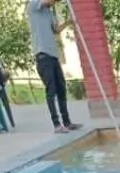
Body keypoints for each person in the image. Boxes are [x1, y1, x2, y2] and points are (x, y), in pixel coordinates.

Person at [26, 0, 81, 132]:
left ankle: (67, 122)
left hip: (53, 55)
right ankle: (56, 124)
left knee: (61, 88)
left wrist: (69, 22)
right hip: (43, 55)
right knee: (51, 90)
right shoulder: (33, 5)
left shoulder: (49, 13)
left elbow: (56, 30)